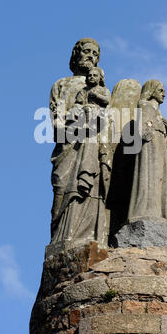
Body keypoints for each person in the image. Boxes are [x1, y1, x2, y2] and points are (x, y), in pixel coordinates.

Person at [49, 66, 111, 249]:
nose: (90, 55)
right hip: (70, 140)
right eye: (86, 50)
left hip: (93, 137)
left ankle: (92, 234)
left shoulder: (103, 91)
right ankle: (61, 232)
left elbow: (106, 109)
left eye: (95, 52)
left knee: (90, 184)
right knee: (62, 185)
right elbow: (60, 116)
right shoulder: (62, 84)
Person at [127, 79, 167, 222]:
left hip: (159, 147)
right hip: (150, 148)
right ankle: (146, 211)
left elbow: (166, 142)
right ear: (151, 91)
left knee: (162, 181)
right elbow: (143, 131)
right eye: (160, 90)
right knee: (149, 178)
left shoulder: (159, 113)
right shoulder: (145, 106)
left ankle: (158, 212)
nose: (164, 94)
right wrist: (154, 128)